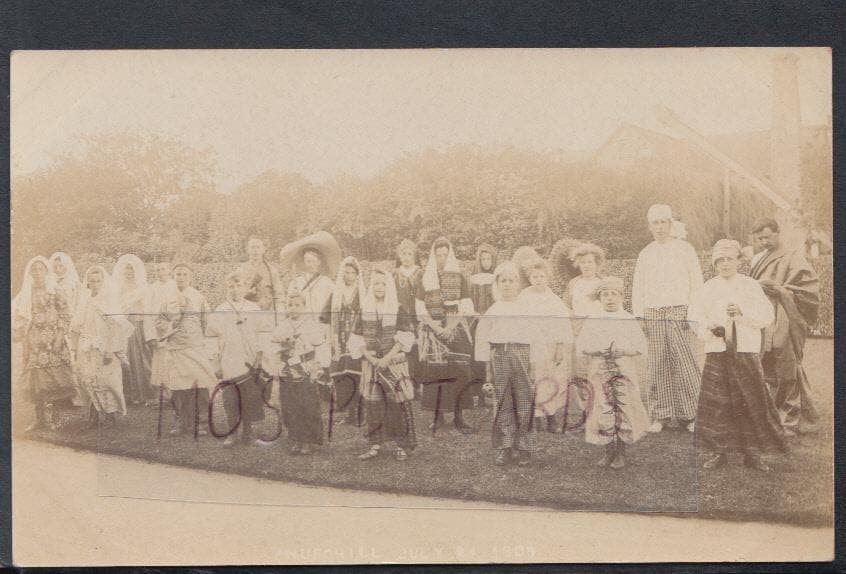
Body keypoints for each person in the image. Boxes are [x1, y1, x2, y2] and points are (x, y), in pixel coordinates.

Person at [689, 239, 786, 471]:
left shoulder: (750, 285)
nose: (725, 264)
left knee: (750, 400)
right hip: (717, 350)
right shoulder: (707, 288)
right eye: (720, 260)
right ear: (714, 263)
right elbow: (695, 317)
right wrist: (709, 327)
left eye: (729, 259)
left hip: (745, 350)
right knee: (718, 402)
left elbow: (766, 315)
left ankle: (752, 454)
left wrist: (742, 313)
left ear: (738, 261)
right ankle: (719, 451)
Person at [632, 204, 703, 433]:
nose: (660, 227)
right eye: (655, 223)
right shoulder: (646, 253)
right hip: (653, 311)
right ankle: (660, 416)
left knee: (684, 362)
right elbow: (638, 287)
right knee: (656, 362)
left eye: (664, 222)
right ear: (650, 226)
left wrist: (694, 314)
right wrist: (640, 315)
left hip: (679, 310)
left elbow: (696, 283)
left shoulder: (685, 249)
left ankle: (690, 415)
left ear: (670, 224)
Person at [749, 218, 820, 436]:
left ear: (778, 233)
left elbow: (808, 289)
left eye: (767, 237)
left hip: (785, 319)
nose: (763, 241)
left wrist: (780, 290)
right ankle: (773, 415)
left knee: (787, 370)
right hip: (763, 319)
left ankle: (790, 420)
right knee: (768, 368)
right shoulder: (758, 259)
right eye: (760, 238)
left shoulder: (793, 256)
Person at [577, 276, 650, 470]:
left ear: (621, 297)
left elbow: (640, 347)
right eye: (605, 294)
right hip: (600, 368)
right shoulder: (594, 318)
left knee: (623, 407)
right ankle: (608, 450)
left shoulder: (627, 318)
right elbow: (583, 346)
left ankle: (621, 452)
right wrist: (597, 351)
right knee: (603, 407)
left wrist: (623, 351)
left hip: (623, 367)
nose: (610, 298)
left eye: (614, 294)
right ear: (600, 298)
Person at [474, 261, 537, 465]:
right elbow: (483, 339)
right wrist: (487, 370)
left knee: (524, 401)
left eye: (511, 280)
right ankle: (506, 446)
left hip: (521, 355)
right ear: (497, 284)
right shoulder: (493, 310)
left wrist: (533, 364)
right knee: (503, 402)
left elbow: (535, 339)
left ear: (517, 284)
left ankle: (525, 447)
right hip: (500, 356)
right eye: (503, 281)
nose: (507, 284)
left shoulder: (527, 308)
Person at [414, 236, 476, 433]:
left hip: (455, 329)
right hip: (432, 331)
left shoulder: (459, 276)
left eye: (445, 255)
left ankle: (459, 415)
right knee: (436, 373)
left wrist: (449, 328)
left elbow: (466, 306)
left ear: (450, 255)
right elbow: (419, 307)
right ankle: (438, 416)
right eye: (438, 255)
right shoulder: (425, 276)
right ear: (434, 255)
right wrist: (435, 327)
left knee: (460, 372)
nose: (441, 258)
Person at [356, 268, 418, 461]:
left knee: (396, 403)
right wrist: (372, 358)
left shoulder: (398, 308)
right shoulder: (365, 309)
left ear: (388, 285)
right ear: (371, 286)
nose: (379, 287)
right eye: (376, 283)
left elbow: (405, 338)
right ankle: (375, 443)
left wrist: (386, 358)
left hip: (393, 364)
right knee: (373, 404)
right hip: (372, 364)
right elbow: (356, 338)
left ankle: (401, 445)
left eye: (383, 283)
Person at [150, 263, 218, 437]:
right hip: (175, 347)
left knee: (200, 383)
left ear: (190, 277)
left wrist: (204, 343)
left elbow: (207, 322)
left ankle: (201, 421)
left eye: (184, 274)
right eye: (178, 274)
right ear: (174, 277)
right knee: (178, 386)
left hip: (195, 346)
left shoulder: (199, 297)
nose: (181, 277)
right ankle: (180, 420)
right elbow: (159, 322)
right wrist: (170, 325)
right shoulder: (167, 299)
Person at [13, 256, 76, 432]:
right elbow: (20, 315)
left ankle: (55, 418)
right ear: (30, 273)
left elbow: (65, 314)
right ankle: (40, 419)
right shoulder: (26, 293)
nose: (37, 273)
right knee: (37, 381)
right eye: (34, 270)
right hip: (34, 341)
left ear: (46, 271)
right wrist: (23, 336)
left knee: (54, 380)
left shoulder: (56, 290)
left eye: (41, 269)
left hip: (53, 340)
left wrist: (59, 336)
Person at [207, 272, 270, 447]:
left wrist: (259, 356)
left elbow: (263, 333)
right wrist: (215, 362)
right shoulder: (220, 310)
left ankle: (248, 433)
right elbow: (211, 337)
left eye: (238, 286)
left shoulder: (253, 308)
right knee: (230, 397)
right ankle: (232, 433)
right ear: (226, 288)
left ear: (245, 287)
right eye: (231, 286)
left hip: (249, 359)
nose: (235, 290)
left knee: (249, 396)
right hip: (228, 359)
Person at [71, 265, 134, 427]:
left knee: (106, 381)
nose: (95, 284)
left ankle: (111, 415)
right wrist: (74, 348)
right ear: (88, 283)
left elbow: (115, 327)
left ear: (103, 282)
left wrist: (108, 350)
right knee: (87, 380)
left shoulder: (109, 301)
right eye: (92, 281)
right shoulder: (84, 300)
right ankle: (94, 415)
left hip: (105, 347)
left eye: (99, 281)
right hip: (86, 345)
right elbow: (76, 325)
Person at [517, 259, 573, 433]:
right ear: (530, 278)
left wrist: (559, 348)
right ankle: (535, 417)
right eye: (535, 276)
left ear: (547, 278)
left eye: (541, 276)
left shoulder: (553, 298)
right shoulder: (523, 297)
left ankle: (551, 417)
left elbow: (562, 325)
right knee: (533, 380)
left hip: (549, 346)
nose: (538, 279)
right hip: (532, 345)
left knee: (550, 380)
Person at [270, 289, 327, 455]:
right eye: (290, 305)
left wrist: (318, 367)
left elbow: (319, 347)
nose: (293, 308)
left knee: (307, 406)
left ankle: (307, 440)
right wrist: (282, 348)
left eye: (297, 305)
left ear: (304, 306)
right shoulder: (282, 325)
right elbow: (273, 346)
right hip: (288, 372)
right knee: (290, 406)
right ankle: (295, 438)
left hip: (305, 371)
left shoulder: (311, 325)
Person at [326, 256, 366, 425]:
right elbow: (333, 317)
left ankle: (359, 412)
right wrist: (333, 337)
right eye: (346, 272)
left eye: (352, 273)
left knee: (356, 373)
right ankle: (349, 412)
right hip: (341, 336)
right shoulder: (337, 293)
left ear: (357, 274)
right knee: (343, 373)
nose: (349, 276)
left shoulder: (362, 292)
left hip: (357, 335)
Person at [114, 254, 155, 406]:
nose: (129, 272)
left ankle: (143, 393)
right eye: (126, 269)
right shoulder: (118, 286)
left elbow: (147, 306)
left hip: (137, 324)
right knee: (124, 358)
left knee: (140, 358)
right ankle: (128, 394)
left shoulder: (142, 287)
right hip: (123, 324)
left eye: (131, 269)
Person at [468, 243, 498, 408]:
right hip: (477, 321)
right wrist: (475, 314)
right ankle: (478, 395)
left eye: (489, 259)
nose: (486, 262)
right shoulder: (473, 278)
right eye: (483, 259)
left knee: (492, 357)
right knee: (477, 358)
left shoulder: (497, 277)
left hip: (493, 321)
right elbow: (469, 299)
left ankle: (492, 392)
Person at [393, 239, 424, 397]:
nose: (406, 257)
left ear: (414, 256)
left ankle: (418, 385)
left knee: (417, 349)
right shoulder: (395, 273)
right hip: (401, 316)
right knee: (404, 348)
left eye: (409, 254)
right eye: (403, 254)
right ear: (399, 256)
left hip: (416, 314)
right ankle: (406, 383)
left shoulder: (420, 272)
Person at [236, 237, 283, 319]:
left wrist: (279, 310)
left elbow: (279, 293)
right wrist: (246, 293)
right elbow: (235, 292)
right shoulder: (241, 269)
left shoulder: (271, 270)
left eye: (258, 247)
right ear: (247, 250)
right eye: (252, 247)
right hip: (247, 312)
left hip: (267, 312)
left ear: (263, 250)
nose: (255, 250)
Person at [564, 243, 604, 319]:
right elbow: (566, 304)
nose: (586, 265)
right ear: (578, 264)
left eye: (590, 262)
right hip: (577, 321)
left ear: (597, 264)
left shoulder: (602, 283)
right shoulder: (573, 283)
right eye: (583, 262)